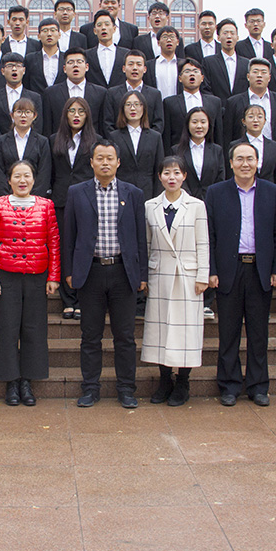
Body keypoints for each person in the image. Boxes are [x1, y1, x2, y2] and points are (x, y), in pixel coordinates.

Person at [62, 139, 147, 409]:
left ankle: (126, 389)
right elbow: (69, 235)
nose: (105, 163)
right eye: (100, 158)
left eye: (110, 158)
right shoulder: (77, 192)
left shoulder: (133, 193)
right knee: (90, 336)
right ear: (91, 162)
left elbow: (140, 238)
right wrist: (69, 271)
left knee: (125, 337)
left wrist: (142, 274)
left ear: (118, 162)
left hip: (123, 272)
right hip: (91, 272)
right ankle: (90, 388)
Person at [206, 142, 276, 407]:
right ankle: (229, 385)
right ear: (230, 163)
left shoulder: (272, 191)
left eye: (250, 158)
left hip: (260, 270)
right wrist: (212, 270)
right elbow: (210, 235)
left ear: (258, 162)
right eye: (239, 159)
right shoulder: (216, 192)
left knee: (258, 333)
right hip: (229, 269)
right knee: (228, 333)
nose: (245, 164)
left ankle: (258, 386)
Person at [0, 159, 61, 406]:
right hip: (6, 274)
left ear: (34, 179)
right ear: (9, 180)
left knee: (34, 329)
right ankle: (11, 381)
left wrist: (54, 276)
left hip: (37, 275)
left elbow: (54, 242)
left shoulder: (46, 205)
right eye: (17, 176)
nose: (22, 180)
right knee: (7, 328)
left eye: (27, 175)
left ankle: (27, 381)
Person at [143, 156, 209, 406]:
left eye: (177, 173)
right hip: (159, 274)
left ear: (184, 176)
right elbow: (146, 243)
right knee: (161, 329)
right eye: (167, 173)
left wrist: (203, 275)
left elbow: (203, 242)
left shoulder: (196, 206)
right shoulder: (150, 206)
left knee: (185, 330)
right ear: (159, 176)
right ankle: (164, 380)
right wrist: (145, 276)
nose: (172, 177)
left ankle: (183, 381)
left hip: (187, 276)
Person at [50, 97, 97, 319]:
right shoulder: (54, 139)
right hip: (61, 200)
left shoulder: (96, 141)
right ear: (65, 115)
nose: (76, 115)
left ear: (87, 115)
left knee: (84, 246)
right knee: (64, 247)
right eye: (71, 111)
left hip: (87, 199)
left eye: (81, 111)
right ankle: (68, 300)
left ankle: (82, 298)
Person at [109, 90, 165, 203]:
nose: (133, 108)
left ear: (144, 108)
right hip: (121, 192)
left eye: (137, 104)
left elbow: (159, 169)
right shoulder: (114, 136)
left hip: (148, 192)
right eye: (128, 105)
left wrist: (157, 198)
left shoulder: (155, 137)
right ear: (122, 109)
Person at [0, 97, 51, 197]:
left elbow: (44, 173)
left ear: (34, 116)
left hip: (34, 200)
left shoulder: (42, 142)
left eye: (28, 112)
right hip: (7, 199)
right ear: (12, 115)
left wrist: (31, 199)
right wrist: (8, 198)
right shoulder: (1, 141)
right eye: (19, 112)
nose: (23, 116)